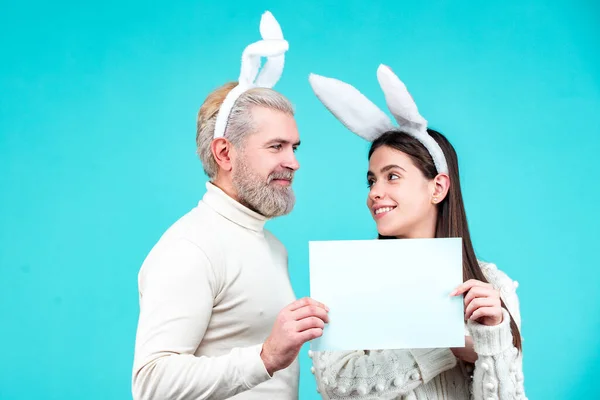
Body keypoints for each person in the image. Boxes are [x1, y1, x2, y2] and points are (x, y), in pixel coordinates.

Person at [131, 12, 329, 400]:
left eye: (294, 147)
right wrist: (266, 356)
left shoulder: (272, 247)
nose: (293, 161)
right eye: (276, 147)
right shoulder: (191, 247)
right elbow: (151, 383)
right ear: (225, 152)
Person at [306, 65, 526, 399]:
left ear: (437, 187)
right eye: (371, 179)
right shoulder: (349, 279)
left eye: (391, 176)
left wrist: (493, 338)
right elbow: (335, 388)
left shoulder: (492, 287)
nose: (374, 192)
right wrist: (444, 347)